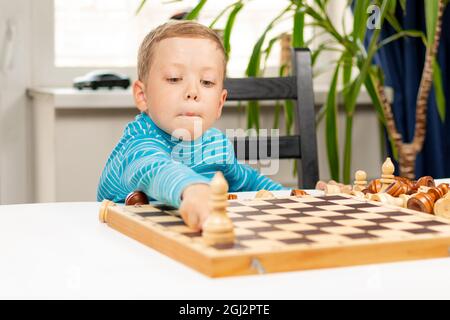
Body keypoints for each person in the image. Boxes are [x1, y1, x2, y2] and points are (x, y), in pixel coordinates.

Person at [97, 20, 285, 230]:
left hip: (191, 243)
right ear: (142, 95)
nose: (193, 91)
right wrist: (192, 188)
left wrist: (297, 199)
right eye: (175, 78)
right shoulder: (139, 141)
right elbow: (155, 168)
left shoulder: (216, 144)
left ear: (219, 103)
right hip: (129, 248)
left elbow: (250, 182)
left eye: (207, 82)